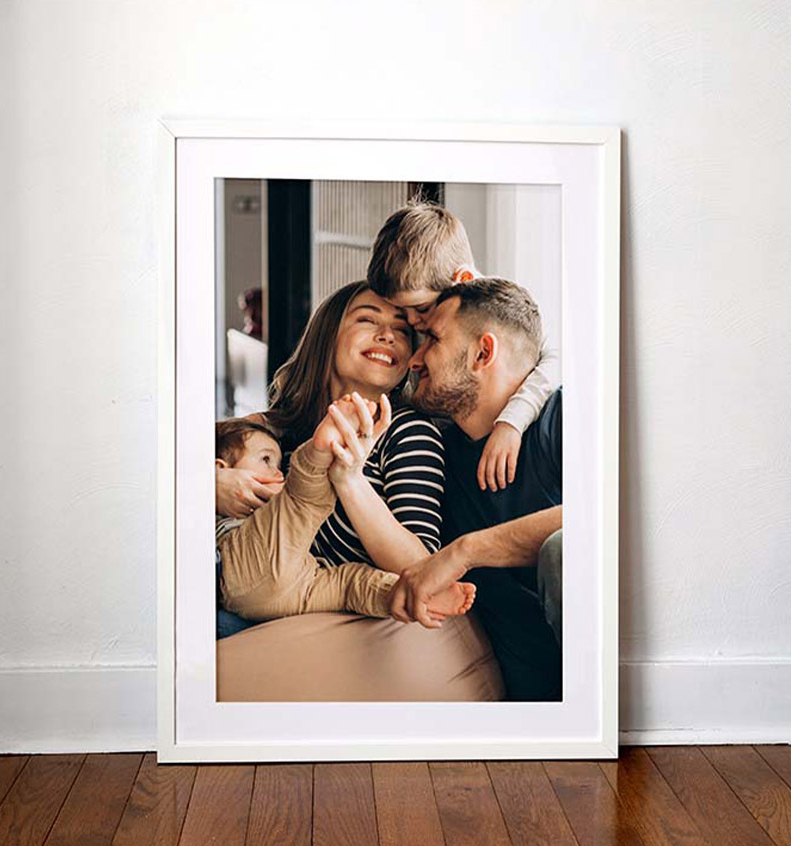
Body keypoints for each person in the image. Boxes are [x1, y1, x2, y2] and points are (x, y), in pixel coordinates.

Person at [214, 281, 454, 630]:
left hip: (330, 620)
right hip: (240, 592)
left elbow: (419, 567)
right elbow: (158, 473)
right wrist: (210, 483)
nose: (388, 335)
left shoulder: (408, 431)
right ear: (328, 334)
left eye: (401, 329)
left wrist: (350, 480)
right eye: (367, 320)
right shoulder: (272, 428)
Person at [388, 277, 564, 701]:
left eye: (433, 339)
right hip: (523, 716)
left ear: (483, 353)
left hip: (600, 700)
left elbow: (609, 517)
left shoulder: (562, 418)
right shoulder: (431, 454)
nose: (415, 359)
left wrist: (465, 552)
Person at [214, 409, 474, 622]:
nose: (278, 472)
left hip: (301, 581)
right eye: (265, 460)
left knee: (351, 585)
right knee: (302, 500)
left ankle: (413, 598)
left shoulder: (410, 431)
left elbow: (418, 561)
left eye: (279, 463)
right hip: (241, 570)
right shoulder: (214, 507)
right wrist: (207, 482)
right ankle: (317, 455)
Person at [367, 200, 553, 493]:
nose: (413, 322)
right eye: (403, 313)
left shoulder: (508, 315)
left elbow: (556, 361)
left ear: (463, 280)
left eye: (421, 308)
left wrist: (511, 422)